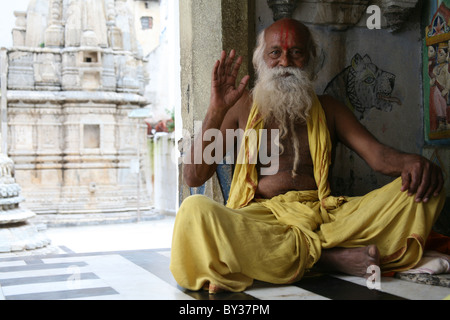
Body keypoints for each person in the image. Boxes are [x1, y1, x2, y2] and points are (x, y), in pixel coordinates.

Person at [170, 18, 446, 294]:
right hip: (262, 219)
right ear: (261, 61)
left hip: (327, 217)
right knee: (194, 211)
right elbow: (194, 176)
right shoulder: (242, 106)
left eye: (296, 52)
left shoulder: (330, 108)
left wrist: (415, 164)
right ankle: (327, 259)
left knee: (425, 191)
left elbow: (379, 158)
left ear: (310, 59)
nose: (285, 61)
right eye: (275, 52)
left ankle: (292, 256)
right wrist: (215, 110)